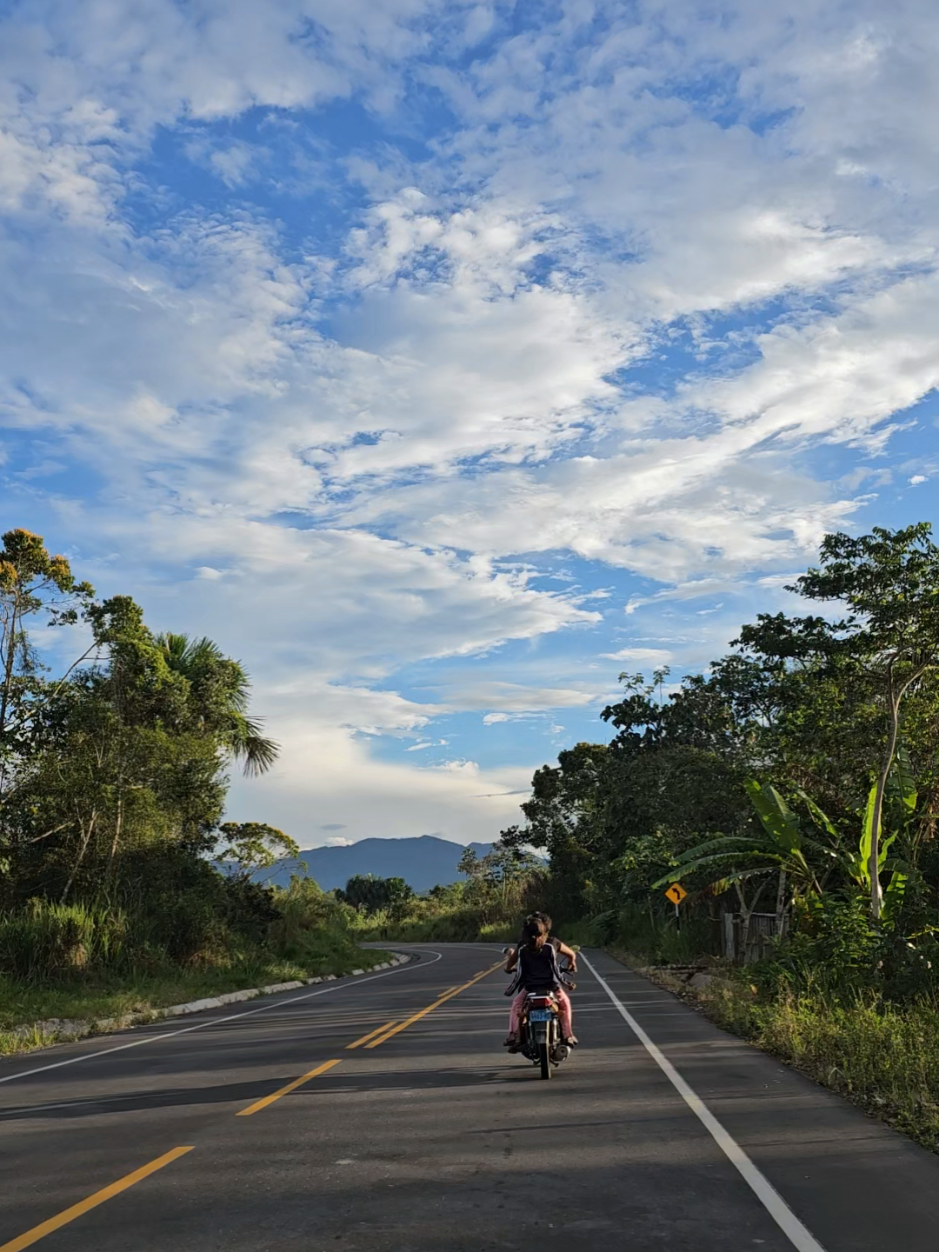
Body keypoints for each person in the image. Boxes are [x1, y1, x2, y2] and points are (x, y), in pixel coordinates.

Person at [504, 917, 577, 1049]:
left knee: (516, 1005)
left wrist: (510, 990)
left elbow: (519, 974)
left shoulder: (523, 948)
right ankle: (568, 1035)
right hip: (551, 986)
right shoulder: (550, 946)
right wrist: (566, 984)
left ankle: (514, 1034)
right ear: (544, 932)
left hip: (530, 988)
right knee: (565, 1004)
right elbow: (556, 971)